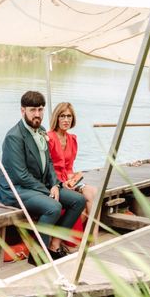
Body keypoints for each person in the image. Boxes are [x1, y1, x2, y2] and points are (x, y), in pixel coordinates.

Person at [0, 91, 86, 265]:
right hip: (16, 189)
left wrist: (55, 184)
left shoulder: (42, 131)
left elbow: (49, 163)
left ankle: (54, 245)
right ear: (23, 111)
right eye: (32, 110)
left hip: (38, 187)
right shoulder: (14, 137)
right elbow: (20, 175)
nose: (37, 114)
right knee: (53, 206)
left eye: (40, 109)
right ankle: (38, 256)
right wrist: (48, 191)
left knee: (78, 200)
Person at [47, 102, 98, 245]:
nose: (66, 120)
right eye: (62, 116)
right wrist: (61, 183)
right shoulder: (49, 138)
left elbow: (69, 168)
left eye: (69, 116)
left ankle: (93, 240)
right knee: (82, 198)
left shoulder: (72, 139)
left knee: (93, 192)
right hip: (54, 182)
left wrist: (74, 181)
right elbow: (47, 168)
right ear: (56, 118)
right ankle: (73, 237)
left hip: (67, 181)